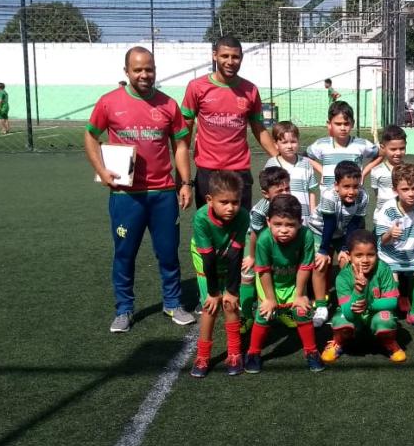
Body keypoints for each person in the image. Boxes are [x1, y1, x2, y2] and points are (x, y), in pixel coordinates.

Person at [84, 46, 195, 333]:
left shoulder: (168, 105)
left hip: (163, 193)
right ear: (127, 72)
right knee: (125, 254)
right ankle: (124, 309)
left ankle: (173, 303)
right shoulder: (109, 103)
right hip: (126, 195)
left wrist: (185, 182)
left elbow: (181, 145)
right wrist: (101, 170)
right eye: (138, 69)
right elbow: (90, 136)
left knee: (168, 252)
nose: (144, 74)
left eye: (149, 69)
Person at [182, 34, 278, 210]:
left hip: (239, 170)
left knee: (241, 230)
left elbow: (259, 128)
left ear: (241, 58)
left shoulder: (250, 90)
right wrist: (184, 178)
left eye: (235, 57)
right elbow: (184, 134)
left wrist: (279, 158)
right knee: (209, 227)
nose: (230, 61)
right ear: (215, 55)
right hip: (208, 171)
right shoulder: (196, 87)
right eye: (225, 56)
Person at [244, 194, 324, 374]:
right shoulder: (264, 239)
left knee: (302, 311)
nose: (284, 230)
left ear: (300, 222)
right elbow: (263, 271)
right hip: (269, 282)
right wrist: (270, 299)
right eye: (278, 224)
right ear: (268, 221)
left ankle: (311, 352)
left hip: (293, 282)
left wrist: (300, 294)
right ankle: (253, 353)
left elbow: (305, 267)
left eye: (290, 225)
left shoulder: (306, 236)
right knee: (265, 313)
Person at [188, 171, 249, 378]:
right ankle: (203, 356)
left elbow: (235, 254)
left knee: (230, 303)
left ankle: (234, 353)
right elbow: (209, 259)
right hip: (206, 258)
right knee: (210, 307)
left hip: (228, 254)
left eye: (235, 202)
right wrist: (214, 293)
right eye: (224, 202)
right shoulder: (201, 218)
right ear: (209, 200)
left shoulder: (243, 216)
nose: (231, 207)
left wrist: (231, 291)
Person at [322, 230, 406, 365]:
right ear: (349, 256)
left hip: (375, 313)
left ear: (377, 255)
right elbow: (349, 314)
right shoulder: (343, 277)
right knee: (341, 321)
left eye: (371, 255)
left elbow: (392, 302)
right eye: (359, 255)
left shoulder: (383, 269)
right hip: (353, 316)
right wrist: (358, 290)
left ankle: (389, 342)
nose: (365, 260)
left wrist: (368, 305)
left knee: (386, 319)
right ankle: (338, 342)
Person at [307, 160, 370, 328]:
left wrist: (344, 249)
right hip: (321, 231)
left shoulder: (363, 196)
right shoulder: (329, 196)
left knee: (347, 262)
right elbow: (328, 225)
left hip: (344, 232)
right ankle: (320, 306)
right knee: (320, 264)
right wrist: (323, 250)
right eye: (346, 186)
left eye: (355, 186)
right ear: (336, 185)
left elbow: (355, 223)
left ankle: (347, 302)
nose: (351, 191)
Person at [374, 163, 414, 324]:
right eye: (405, 189)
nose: (411, 193)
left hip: (412, 254)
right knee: (392, 283)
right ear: (395, 190)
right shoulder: (387, 209)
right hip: (390, 256)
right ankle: (389, 314)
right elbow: (382, 241)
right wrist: (389, 234)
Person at [240, 166, 292, 320]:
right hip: (255, 241)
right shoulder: (260, 211)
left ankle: (283, 311)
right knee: (248, 276)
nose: (285, 194)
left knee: (279, 275)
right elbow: (255, 234)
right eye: (279, 191)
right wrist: (251, 256)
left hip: (276, 241)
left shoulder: (290, 202)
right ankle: (247, 316)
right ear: (265, 193)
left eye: (287, 188)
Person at [306, 100, 380, 190]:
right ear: (329, 124)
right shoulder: (321, 144)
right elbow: (305, 156)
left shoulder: (361, 144)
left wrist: (363, 173)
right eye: (338, 124)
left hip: (353, 196)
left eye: (346, 124)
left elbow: (381, 154)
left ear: (352, 123)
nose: (342, 128)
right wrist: (322, 171)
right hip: (328, 196)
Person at [264, 120, 318, 224]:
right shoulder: (271, 164)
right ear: (276, 144)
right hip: (280, 219)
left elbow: (312, 191)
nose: (289, 146)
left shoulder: (306, 163)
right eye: (284, 142)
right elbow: (268, 193)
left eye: (293, 141)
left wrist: (313, 215)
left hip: (303, 219)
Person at [368, 124, 408, 221]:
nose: (398, 153)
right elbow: (377, 195)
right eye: (393, 149)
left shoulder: (409, 170)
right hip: (382, 219)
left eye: (402, 148)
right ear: (383, 147)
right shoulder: (376, 171)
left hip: (404, 218)